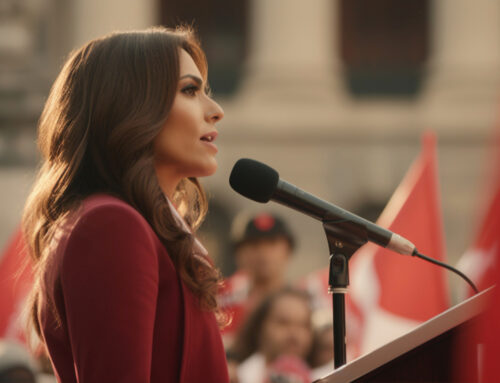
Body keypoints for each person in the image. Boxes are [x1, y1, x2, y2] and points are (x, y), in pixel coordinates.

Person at [21, 26, 228, 382]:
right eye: (190, 90)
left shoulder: (133, 225)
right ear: (131, 106)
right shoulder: (110, 226)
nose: (216, 111)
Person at [219, 212, 295, 346]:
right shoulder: (218, 298)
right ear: (238, 253)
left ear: (288, 250)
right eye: (254, 244)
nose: (263, 252)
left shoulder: (303, 303)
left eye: (272, 243)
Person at [230, 288, 313, 383]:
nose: (294, 333)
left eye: (303, 325)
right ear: (260, 326)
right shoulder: (237, 378)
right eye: (283, 323)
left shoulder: (321, 376)